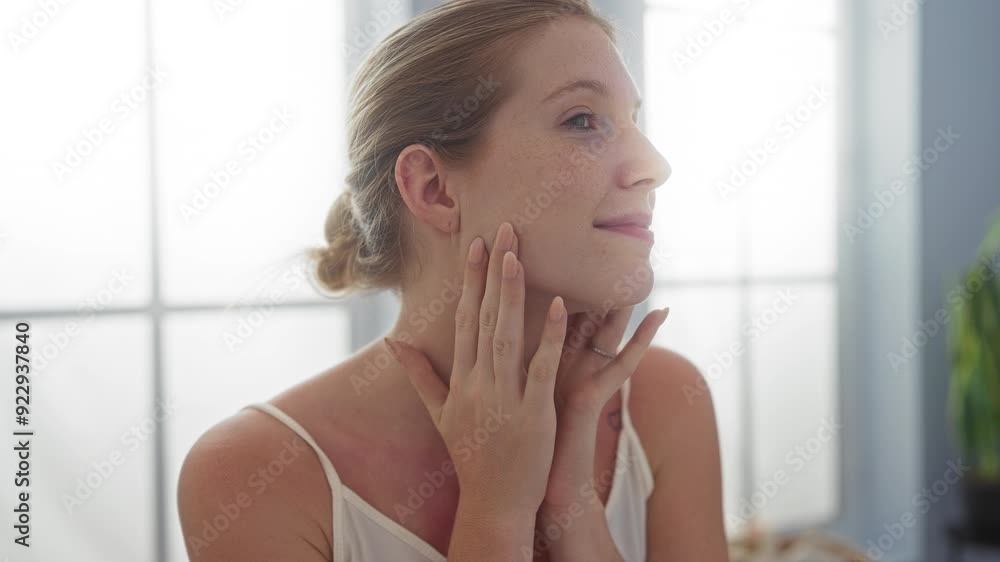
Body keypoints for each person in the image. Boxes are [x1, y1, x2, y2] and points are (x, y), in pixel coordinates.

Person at [177, 0, 729, 560]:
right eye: (582, 120)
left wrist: (571, 505)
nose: (653, 163)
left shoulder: (664, 403)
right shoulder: (254, 473)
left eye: (632, 121)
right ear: (433, 188)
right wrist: (498, 511)